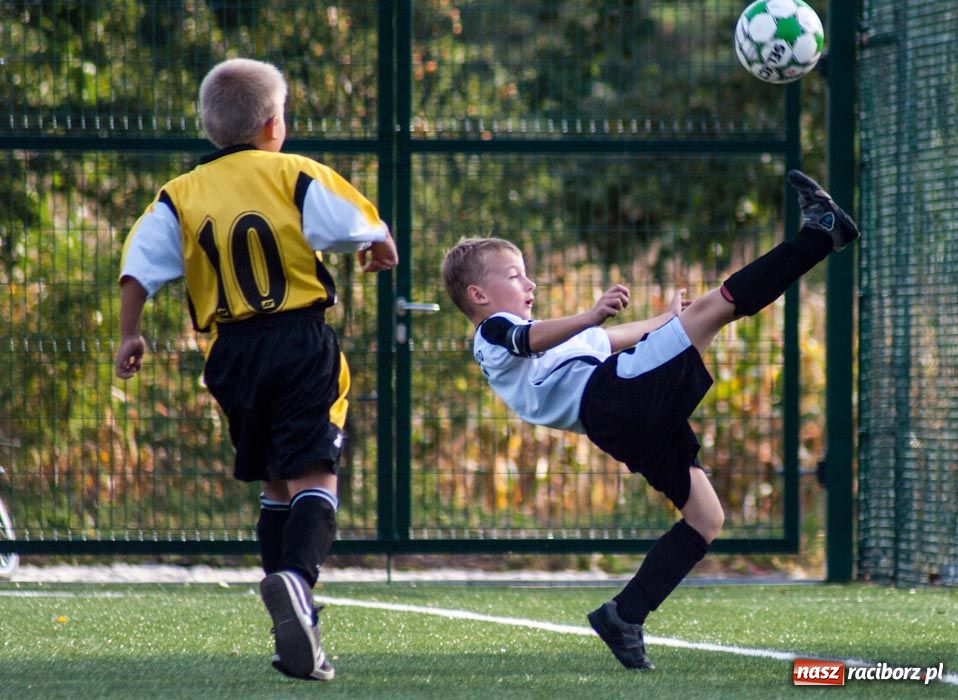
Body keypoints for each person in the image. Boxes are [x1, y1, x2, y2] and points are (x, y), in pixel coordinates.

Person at [441, 170, 859, 670]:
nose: (529, 283)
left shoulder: (548, 337)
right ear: (478, 295)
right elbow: (526, 339)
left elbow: (619, 339)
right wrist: (591, 315)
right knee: (715, 308)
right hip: (614, 399)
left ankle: (624, 615)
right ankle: (821, 234)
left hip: (617, 418)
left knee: (707, 517)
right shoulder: (493, 331)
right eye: (514, 276)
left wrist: (665, 320)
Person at [114, 58, 398, 682]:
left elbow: (138, 268)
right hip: (298, 340)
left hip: (231, 355)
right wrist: (379, 241)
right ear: (275, 124)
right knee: (316, 476)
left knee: (275, 483)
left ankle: (293, 629)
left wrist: (130, 334)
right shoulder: (295, 173)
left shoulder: (179, 193)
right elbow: (357, 223)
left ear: (212, 128)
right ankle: (297, 584)